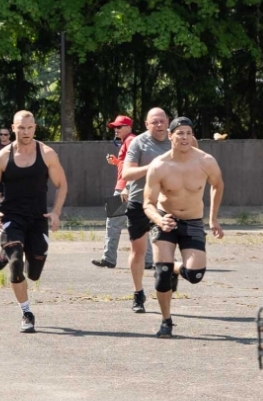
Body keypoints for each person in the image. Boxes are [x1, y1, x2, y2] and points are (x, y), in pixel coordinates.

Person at [0, 111, 68, 334]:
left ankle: (5, 253)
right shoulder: (1, 157)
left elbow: (62, 185)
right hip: (11, 218)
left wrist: (56, 212)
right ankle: (27, 313)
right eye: (21, 128)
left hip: (38, 219)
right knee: (16, 263)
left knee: (34, 273)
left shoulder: (47, 154)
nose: (25, 132)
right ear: (13, 128)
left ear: (35, 128)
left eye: (29, 128)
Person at [141, 116, 225, 338]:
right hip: (165, 220)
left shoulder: (206, 161)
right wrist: (159, 220)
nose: (185, 137)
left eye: (188, 133)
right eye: (180, 133)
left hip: (193, 221)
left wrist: (213, 218)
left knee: (195, 275)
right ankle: (166, 321)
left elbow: (218, 185)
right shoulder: (159, 166)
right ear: (170, 136)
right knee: (162, 274)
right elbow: (148, 203)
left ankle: (175, 269)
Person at [118, 107, 171, 312]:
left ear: (168, 121)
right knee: (138, 250)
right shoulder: (138, 142)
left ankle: (164, 283)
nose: (159, 125)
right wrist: (152, 167)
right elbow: (127, 173)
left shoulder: (176, 140)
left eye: (162, 121)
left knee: (164, 250)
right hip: (139, 202)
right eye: (154, 122)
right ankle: (138, 292)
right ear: (146, 124)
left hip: (166, 204)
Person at [93, 115, 135, 269]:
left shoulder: (131, 140)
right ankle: (149, 261)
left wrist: (127, 187)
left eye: (119, 127)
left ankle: (109, 259)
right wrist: (116, 162)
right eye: (114, 127)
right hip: (127, 187)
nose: (116, 129)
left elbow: (136, 164)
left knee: (112, 223)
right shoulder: (128, 141)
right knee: (137, 225)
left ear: (129, 127)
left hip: (124, 188)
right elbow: (128, 164)